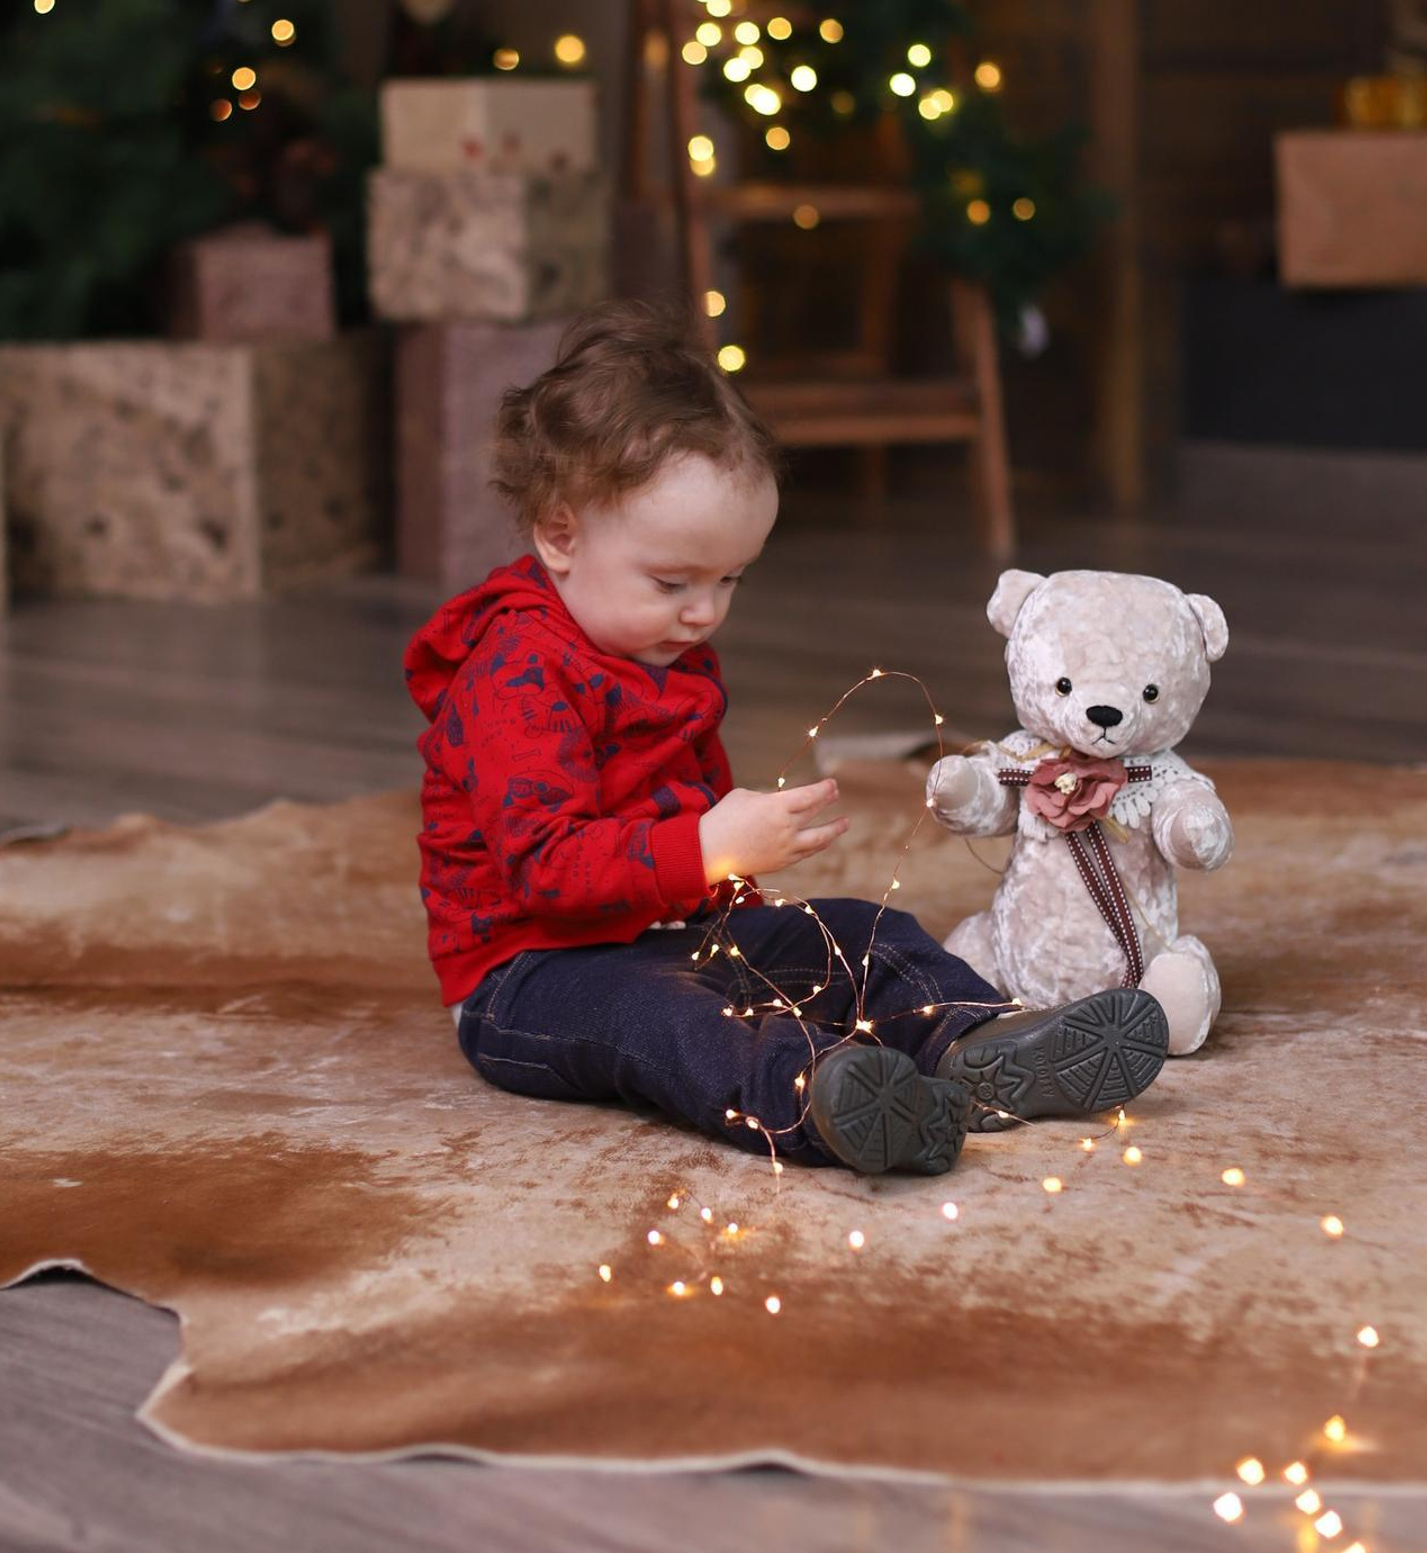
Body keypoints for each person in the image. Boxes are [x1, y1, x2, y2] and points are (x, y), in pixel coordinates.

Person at [403, 304, 1167, 1174]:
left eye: (729, 578)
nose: (704, 610)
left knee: (857, 931)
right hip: (530, 978)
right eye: (672, 580)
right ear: (560, 535)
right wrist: (703, 850)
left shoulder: (667, 650)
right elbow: (544, 864)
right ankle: (821, 1098)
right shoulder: (514, 674)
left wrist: (741, 910)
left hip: (670, 929)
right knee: (665, 1019)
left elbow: (695, 798)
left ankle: (976, 1044)